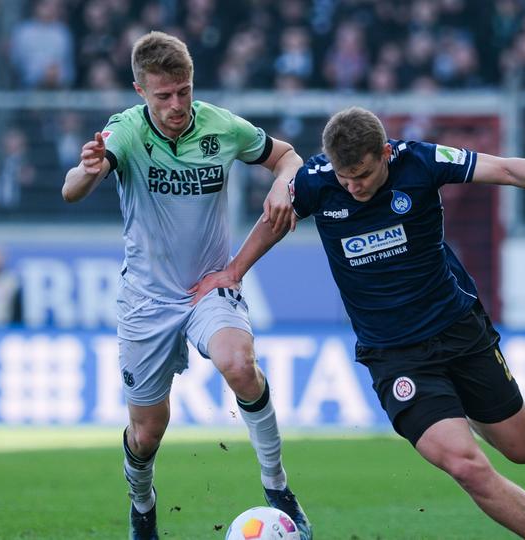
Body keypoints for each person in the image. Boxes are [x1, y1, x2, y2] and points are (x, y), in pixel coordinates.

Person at [191, 107, 525, 539]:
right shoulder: (317, 182)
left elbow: (504, 167)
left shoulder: (420, 161)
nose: (354, 186)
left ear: (385, 153)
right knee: (466, 466)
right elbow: (273, 221)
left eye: (362, 174)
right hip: (396, 356)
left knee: (523, 450)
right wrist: (234, 271)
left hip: (459, 330)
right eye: (345, 178)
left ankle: (456, 407)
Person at [61, 31, 311, 540]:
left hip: (208, 288)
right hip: (146, 300)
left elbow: (288, 156)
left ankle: (278, 487)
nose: (177, 105)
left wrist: (284, 181)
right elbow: (72, 189)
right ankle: (142, 503)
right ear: (139, 91)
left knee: (239, 365)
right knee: (148, 431)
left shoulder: (221, 125)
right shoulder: (125, 132)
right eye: (164, 96)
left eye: (185, 91)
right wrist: (88, 173)